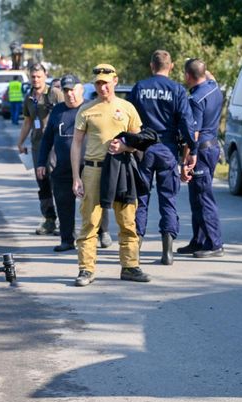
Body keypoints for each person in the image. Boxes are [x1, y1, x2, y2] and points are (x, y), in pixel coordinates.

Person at [71, 63, 151, 286]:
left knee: (127, 221)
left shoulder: (127, 107)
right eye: (98, 83)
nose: (102, 87)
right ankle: (86, 269)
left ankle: (130, 266)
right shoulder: (86, 109)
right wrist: (76, 177)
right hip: (93, 171)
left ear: (115, 81)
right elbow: (76, 144)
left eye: (105, 83)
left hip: (122, 170)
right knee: (90, 222)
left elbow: (139, 140)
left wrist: (126, 148)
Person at [127, 49, 197, 265]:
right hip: (167, 150)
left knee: (142, 199)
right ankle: (167, 251)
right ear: (172, 66)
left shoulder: (139, 88)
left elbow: (128, 117)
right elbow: (187, 123)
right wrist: (192, 150)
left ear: (151, 65)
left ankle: (136, 247)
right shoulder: (177, 90)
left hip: (143, 150)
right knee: (168, 199)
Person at [178, 58, 224, 258]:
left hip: (201, 150)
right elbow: (209, 75)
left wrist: (187, 159)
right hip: (212, 146)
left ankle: (214, 244)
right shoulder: (214, 87)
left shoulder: (195, 100)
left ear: (188, 76)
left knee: (203, 197)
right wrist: (198, 65)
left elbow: (193, 134)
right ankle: (199, 240)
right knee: (196, 196)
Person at [37, 74, 85, 251]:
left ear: (80, 89)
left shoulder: (90, 108)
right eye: (66, 90)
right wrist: (41, 162)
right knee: (64, 203)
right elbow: (47, 139)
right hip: (63, 167)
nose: (69, 94)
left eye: (73, 89)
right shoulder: (57, 111)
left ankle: (101, 233)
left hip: (87, 166)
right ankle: (67, 239)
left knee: (93, 205)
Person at [16, 63, 64, 234]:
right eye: (33, 77)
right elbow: (28, 121)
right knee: (42, 183)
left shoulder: (55, 93)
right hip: (37, 146)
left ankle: (65, 221)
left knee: (57, 183)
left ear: (45, 75)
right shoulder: (29, 97)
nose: (36, 80)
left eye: (39, 76)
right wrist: (20, 142)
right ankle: (49, 219)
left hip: (55, 146)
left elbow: (68, 115)